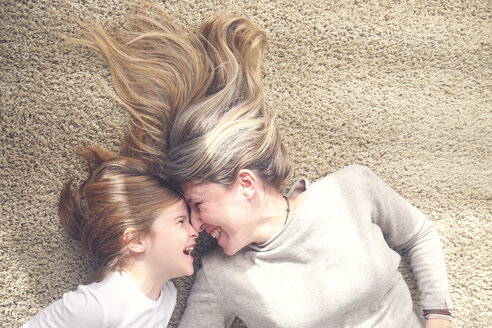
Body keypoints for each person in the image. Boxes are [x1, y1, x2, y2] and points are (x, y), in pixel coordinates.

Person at [77, 4, 452, 327]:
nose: (196, 222)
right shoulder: (221, 275)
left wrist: (438, 317)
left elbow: (418, 234)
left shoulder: (350, 189)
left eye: (197, 203)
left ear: (245, 184)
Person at [22, 146, 198, 327]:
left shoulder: (168, 297)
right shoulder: (98, 305)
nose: (194, 231)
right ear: (135, 241)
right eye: (180, 221)